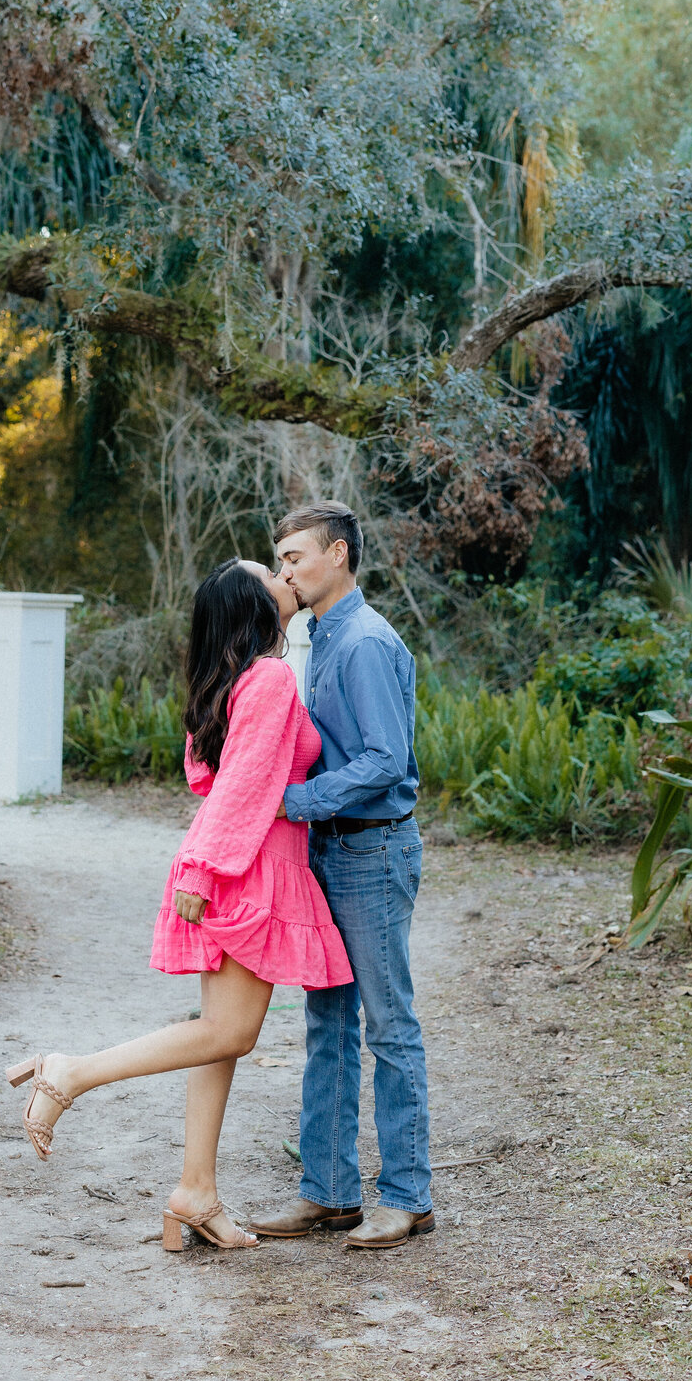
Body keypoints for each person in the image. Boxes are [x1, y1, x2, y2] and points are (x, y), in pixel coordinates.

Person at [4, 557, 351, 1252]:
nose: (288, 579)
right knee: (231, 1034)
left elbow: (204, 773)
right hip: (247, 867)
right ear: (255, 608)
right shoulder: (273, 678)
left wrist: (203, 866)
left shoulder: (236, 683)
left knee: (216, 1034)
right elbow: (242, 785)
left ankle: (195, 1190)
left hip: (231, 863)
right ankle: (73, 1072)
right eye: (273, 577)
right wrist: (206, 869)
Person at [248, 502, 433, 1251]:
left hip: (372, 850)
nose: (285, 570)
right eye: (280, 560)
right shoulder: (316, 637)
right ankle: (328, 1193)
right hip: (327, 852)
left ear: (338, 554)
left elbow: (386, 762)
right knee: (326, 1022)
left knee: (389, 1026)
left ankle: (408, 1197)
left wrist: (293, 800)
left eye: (294, 557)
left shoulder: (360, 642)